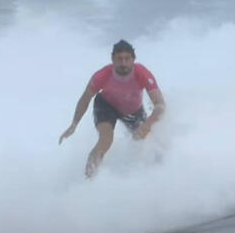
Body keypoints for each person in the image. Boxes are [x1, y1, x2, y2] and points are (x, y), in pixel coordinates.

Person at [59, 40, 166, 178]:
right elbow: (85, 98)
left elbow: (160, 105)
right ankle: (88, 179)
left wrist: (147, 125)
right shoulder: (102, 75)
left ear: (133, 60)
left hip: (133, 110)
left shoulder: (142, 73)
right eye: (119, 59)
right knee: (106, 139)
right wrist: (74, 124)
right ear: (112, 60)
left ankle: (160, 175)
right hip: (106, 106)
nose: (123, 63)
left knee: (150, 143)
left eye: (127, 59)